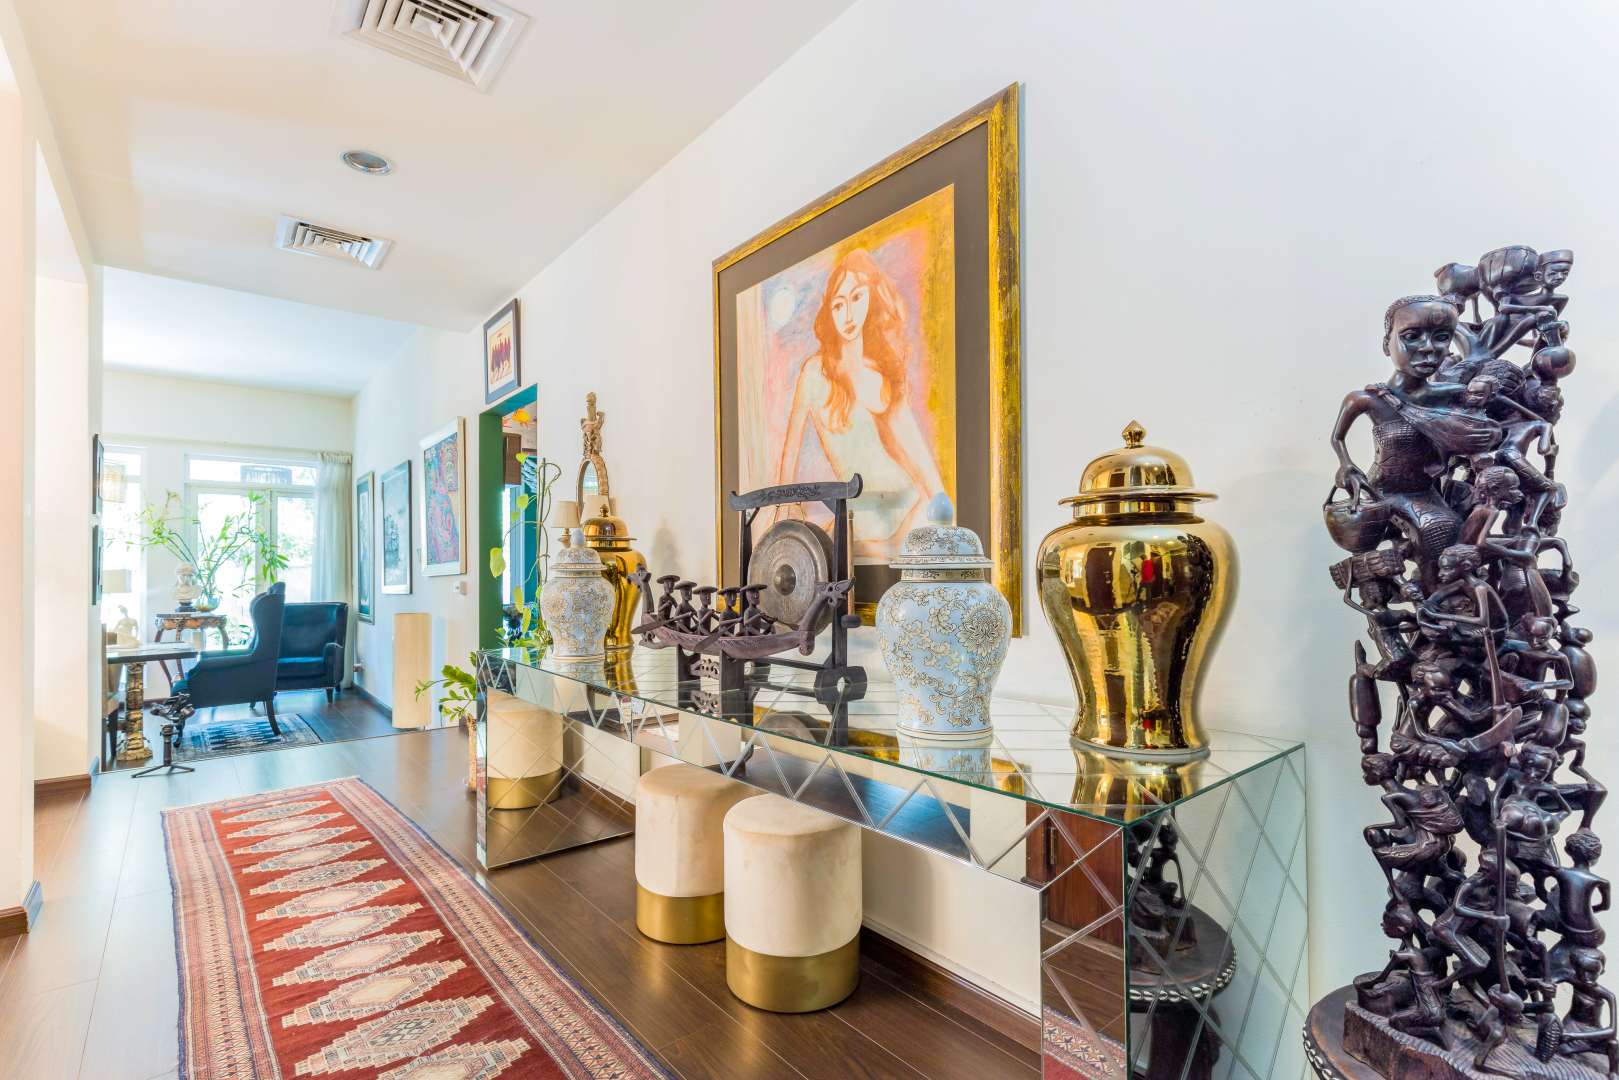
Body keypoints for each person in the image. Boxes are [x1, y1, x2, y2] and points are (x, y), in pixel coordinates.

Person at [772, 248, 947, 559]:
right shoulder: (814, 372)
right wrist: (776, 529)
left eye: (856, 298)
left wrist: (947, 516)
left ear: (870, 299)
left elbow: (918, 455)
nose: (849, 315)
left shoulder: (879, 373)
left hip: (905, 506)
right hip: (858, 517)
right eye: (839, 305)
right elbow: (789, 456)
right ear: (830, 312)